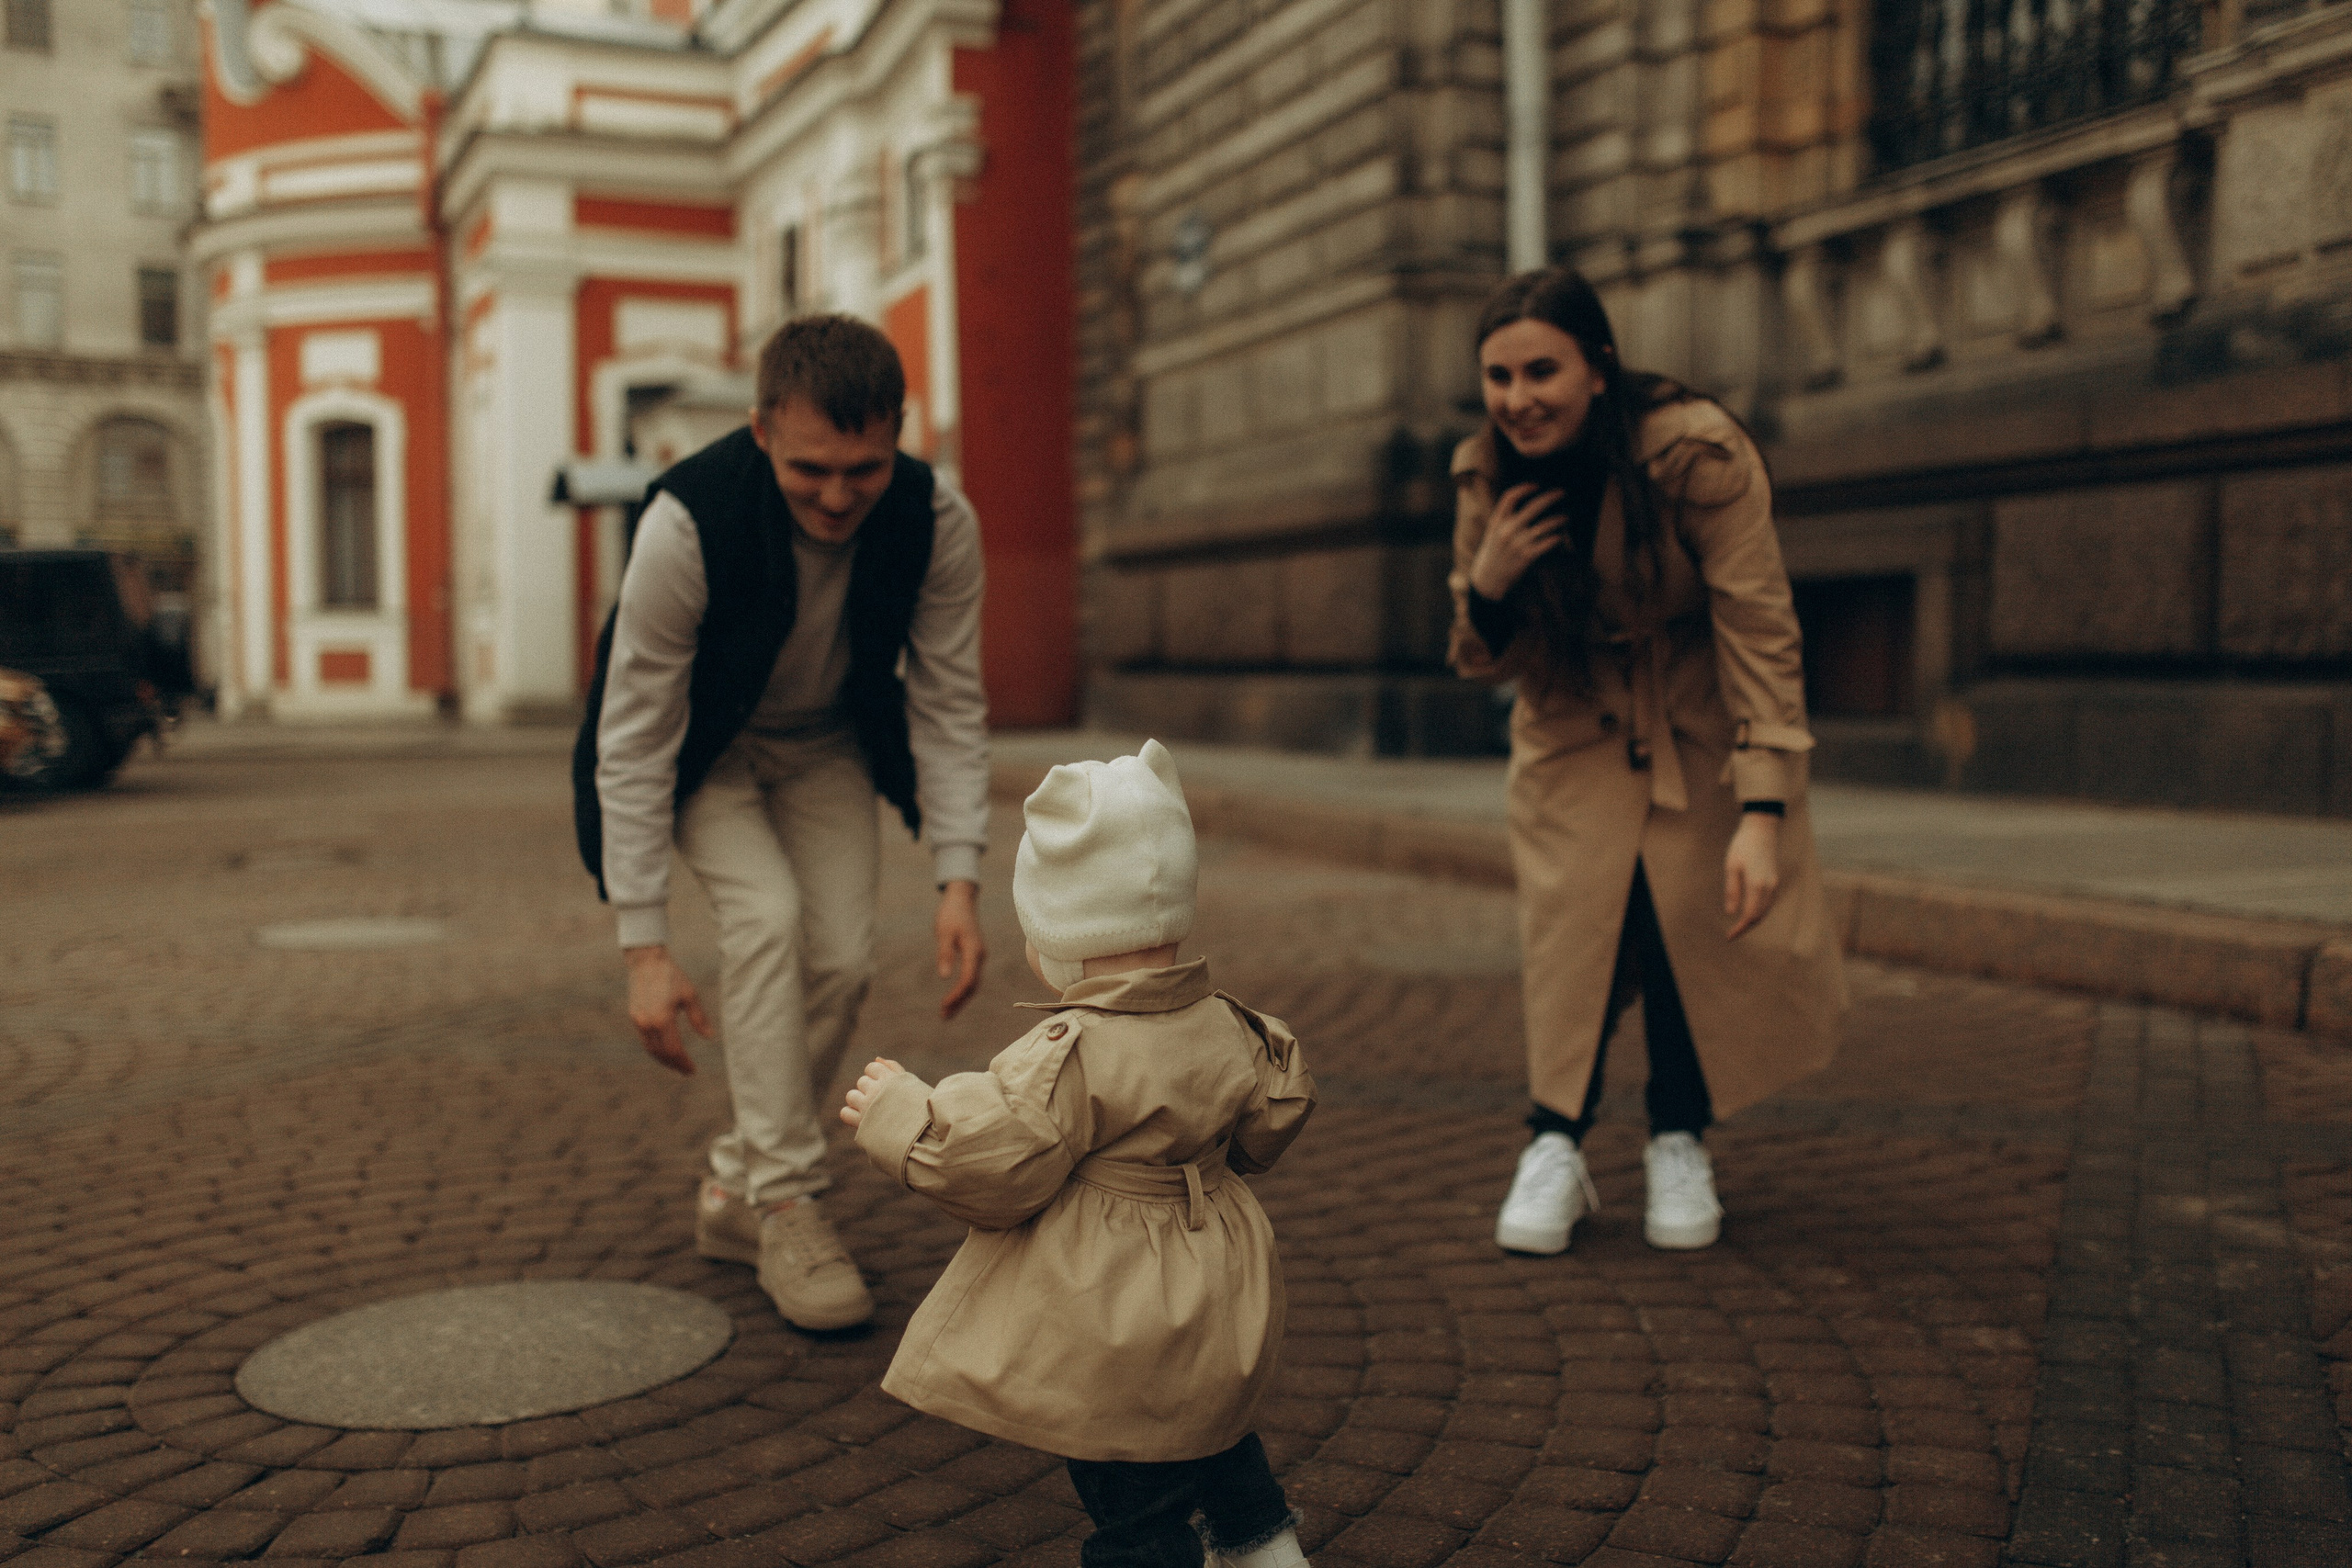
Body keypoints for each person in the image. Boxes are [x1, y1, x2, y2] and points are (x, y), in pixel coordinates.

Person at [572, 314, 989, 1332]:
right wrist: (644, 947)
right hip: (707, 751)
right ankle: (788, 1205)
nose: (838, 496)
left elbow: (947, 701)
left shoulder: (937, 519)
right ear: (760, 431)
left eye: (864, 469)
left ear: (897, 435)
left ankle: (736, 1181)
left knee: (841, 957)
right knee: (765, 916)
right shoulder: (686, 522)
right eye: (810, 469)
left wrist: (959, 877)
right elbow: (634, 735)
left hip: (828, 744)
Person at [1448, 267, 1847, 1257]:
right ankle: (1553, 1143)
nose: (1518, 399)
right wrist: (1489, 585)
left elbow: (1760, 629)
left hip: (1696, 724)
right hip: (1567, 735)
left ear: (1598, 368)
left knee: (1689, 928)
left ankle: (1679, 1137)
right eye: (1498, 377)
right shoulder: (1485, 471)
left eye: (1541, 371)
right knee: (1573, 939)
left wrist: (1764, 810)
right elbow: (1482, 657)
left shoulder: (1694, 454)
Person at [841, 740, 1317, 1568]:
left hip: (1117, 1304)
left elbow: (998, 1162)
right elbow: (1267, 1123)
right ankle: (1266, 1550)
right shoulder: (1226, 1022)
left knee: (1129, 1485)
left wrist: (901, 1112)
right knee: (1211, 1425)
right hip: (1218, 1274)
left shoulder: (1072, 1049)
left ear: (1064, 940)